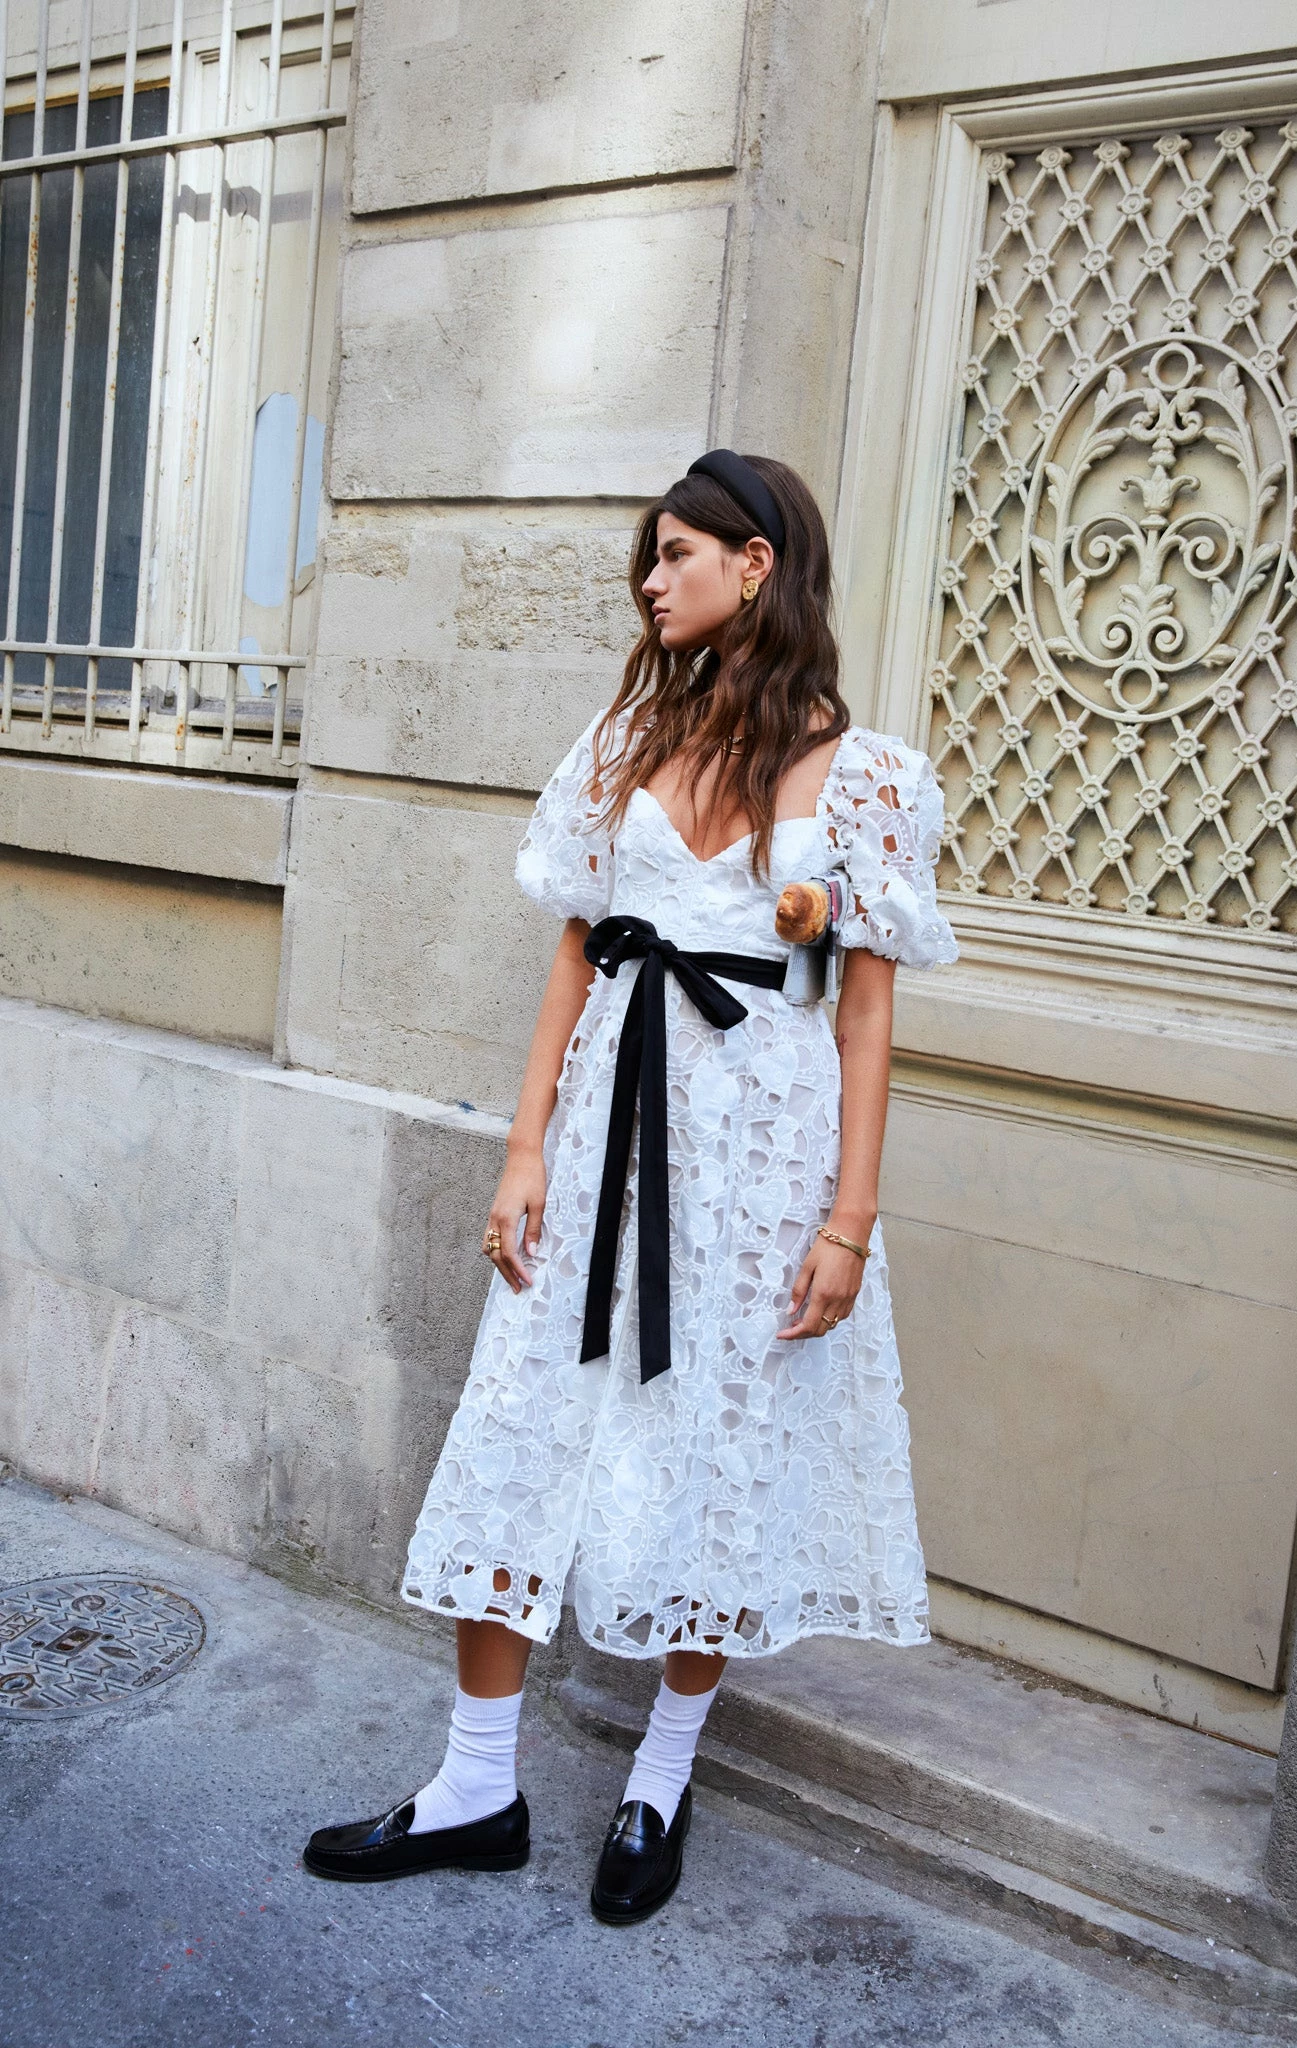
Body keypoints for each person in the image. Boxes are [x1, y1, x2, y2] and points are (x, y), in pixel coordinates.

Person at [302, 450, 958, 1922]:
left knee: (722, 1451)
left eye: (675, 555)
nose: (651, 583)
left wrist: (849, 1223)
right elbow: (576, 953)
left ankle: (661, 1777)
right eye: (648, 560)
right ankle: (476, 1785)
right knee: (521, 1424)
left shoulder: (872, 779)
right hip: (608, 1128)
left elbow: (864, 1014)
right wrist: (524, 1147)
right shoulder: (625, 739)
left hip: (760, 1162)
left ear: (756, 564)